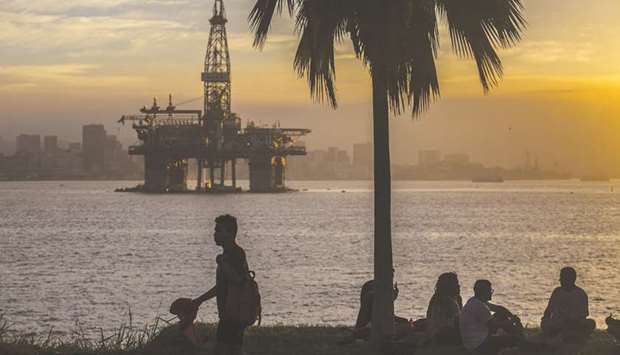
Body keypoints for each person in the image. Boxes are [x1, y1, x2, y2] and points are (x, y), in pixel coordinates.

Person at [192, 214, 250, 355]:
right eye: (215, 230)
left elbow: (238, 279)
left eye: (219, 230)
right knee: (232, 350)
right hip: (228, 314)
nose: (214, 234)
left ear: (230, 233)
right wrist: (199, 300)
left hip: (234, 314)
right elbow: (222, 287)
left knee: (225, 350)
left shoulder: (236, 253)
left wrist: (223, 263)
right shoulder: (228, 254)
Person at [459, 280, 525, 355]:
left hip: (478, 339)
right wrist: (511, 322)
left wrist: (512, 317)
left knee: (501, 314)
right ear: (484, 292)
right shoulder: (479, 306)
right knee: (515, 340)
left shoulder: (475, 301)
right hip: (479, 345)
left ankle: (521, 336)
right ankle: (522, 341)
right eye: (490, 290)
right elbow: (494, 325)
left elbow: (499, 309)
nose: (491, 292)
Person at [541, 267, 596, 342]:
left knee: (590, 323)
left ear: (571, 279)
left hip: (574, 325)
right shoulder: (557, 292)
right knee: (547, 323)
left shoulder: (580, 294)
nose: (560, 281)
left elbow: (583, 315)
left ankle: (568, 335)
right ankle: (561, 335)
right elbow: (548, 310)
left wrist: (570, 321)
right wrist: (545, 319)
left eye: (563, 278)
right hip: (557, 323)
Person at [426, 272, 462, 346]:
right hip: (441, 335)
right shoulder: (444, 301)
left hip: (442, 333)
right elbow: (457, 321)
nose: (459, 286)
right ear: (449, 286)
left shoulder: (457, 298)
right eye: (456, 283)